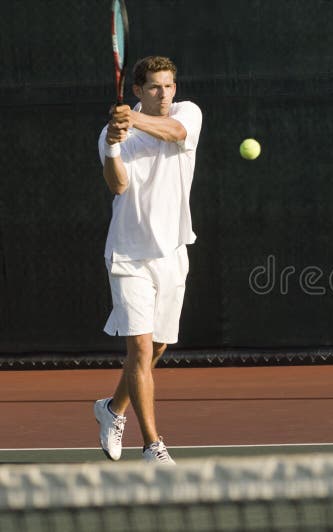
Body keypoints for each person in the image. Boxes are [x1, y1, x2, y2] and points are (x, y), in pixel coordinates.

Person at [93, 56, 202, 464]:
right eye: (155, 87)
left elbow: (174, 132)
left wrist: (133, 122)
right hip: (128, 256)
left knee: (157, 347)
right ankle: (152, 445)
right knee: (139, 350)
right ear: (137, 91)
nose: (164, 94)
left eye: (169, 86)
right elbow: (118, 185)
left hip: (172, 253)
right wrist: (115, 143)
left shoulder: (187, 113)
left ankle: (112, 409)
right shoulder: (113, 133)